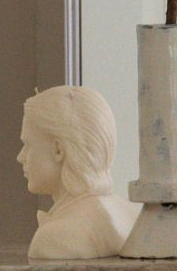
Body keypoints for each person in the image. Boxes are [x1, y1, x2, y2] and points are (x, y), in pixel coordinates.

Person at [18, 85, 139, 261]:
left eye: (27, 144)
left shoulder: (55, 237)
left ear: (58, 150)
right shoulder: (138, 218)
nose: (20, 157)